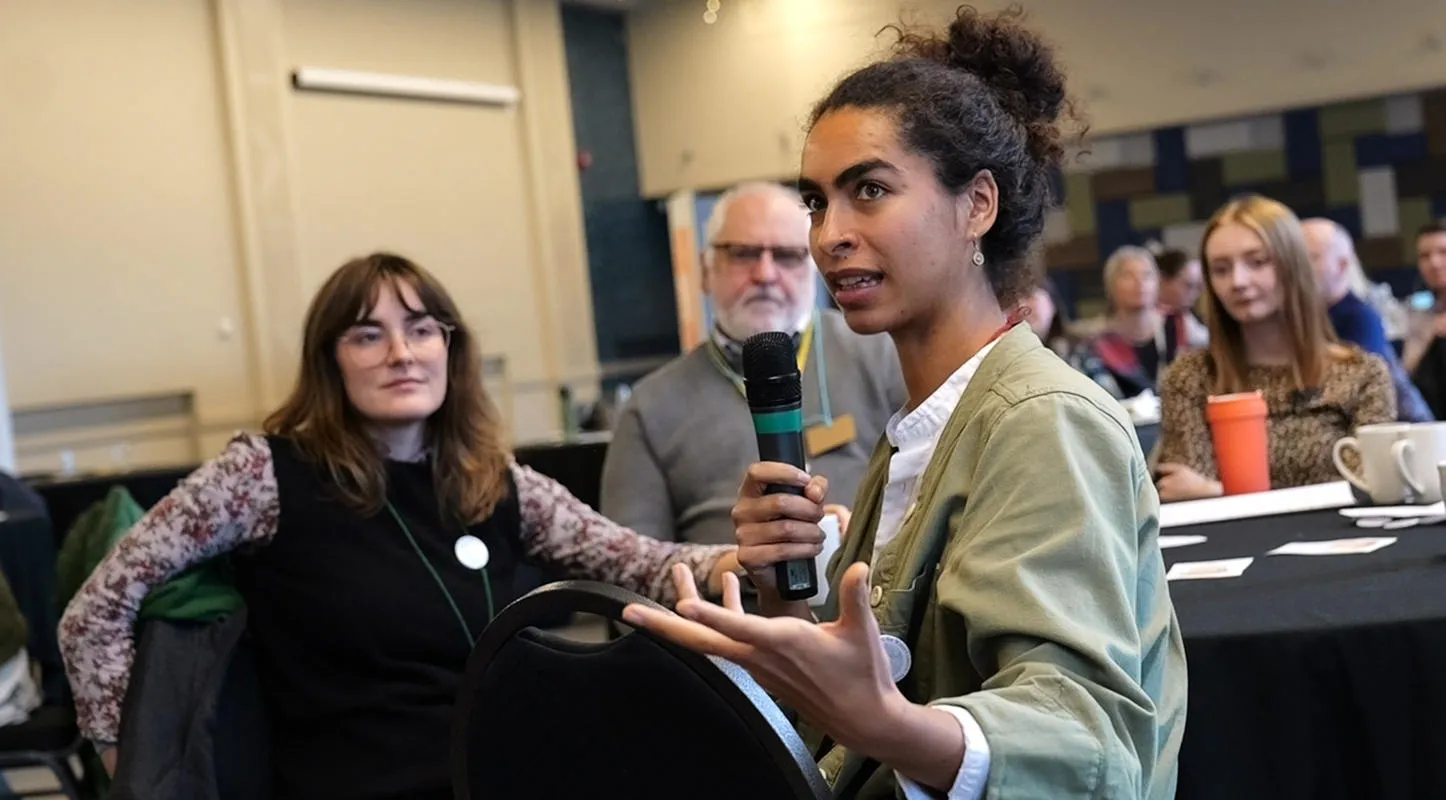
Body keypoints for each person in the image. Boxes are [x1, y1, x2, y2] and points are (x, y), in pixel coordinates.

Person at [622, 8, 1186, 799]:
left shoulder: (1040, 419)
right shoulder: (928, 430)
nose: (829, 236)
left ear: (976, 206)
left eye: (871, 191)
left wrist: (878, 720)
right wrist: (787, 599)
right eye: (818, 201)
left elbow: (1086, 747)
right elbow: (863, 708)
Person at [58, 253, 738, 800]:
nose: (401, 353)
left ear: (450, 348)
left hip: (503, 772)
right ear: (330, 360)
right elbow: (94, 615)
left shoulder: (495, 482)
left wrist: (738, 562)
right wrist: (137, 766)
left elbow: (640, 561)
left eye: (420, 329)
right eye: (367, 334)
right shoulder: (261, 477)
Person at [600, 182, 903, 546]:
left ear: (815, 267)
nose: (765, 275)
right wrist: (747, 563)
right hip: (731, 599)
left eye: (787, 256)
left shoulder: (885, 356)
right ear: (705, 270)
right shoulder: (651, 408)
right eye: (743, 254)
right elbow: (631, 569)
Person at [1155, 196, 1395, 501]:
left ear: (1293, 266)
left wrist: (1218, 492)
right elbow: (1186, 494)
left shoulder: (1361, 374)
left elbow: (1363, 489)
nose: (1238, 281)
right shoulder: (1190, 378)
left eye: (1257, 262)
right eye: (1221, 269)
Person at [1301, 217, 1431, 422]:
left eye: (1311, 258)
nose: (1299, 269)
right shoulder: (1307, 319)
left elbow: (1361, 393)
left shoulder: (1360, 319)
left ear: (1342, 265)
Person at [1084, 245, 1198, 398]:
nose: (1139, 282)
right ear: (1110, 284)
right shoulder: (1099, 341)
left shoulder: (1179, 323)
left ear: (1157, 283)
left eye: (1147, 275)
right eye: (1128, 276)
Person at [1403, 221, 1446, 417]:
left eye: (1443, 252)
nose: (1434, 263)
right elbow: (1405, 377)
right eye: (1425, 256)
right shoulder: (1421, 316)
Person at [1155, 247, 1209, 347]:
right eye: (1189, 285)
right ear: (1163, 280)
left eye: (1199, 287)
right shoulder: (1145, 318)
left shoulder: (1185, 316)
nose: (1196, 294)